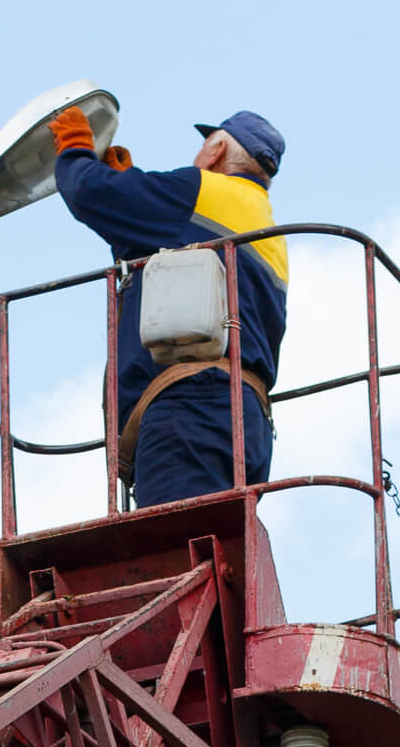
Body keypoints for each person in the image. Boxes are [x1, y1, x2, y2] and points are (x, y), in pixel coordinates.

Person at [48, 107, 288, 508]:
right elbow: (161, 252)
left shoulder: (205, 191)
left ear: (216, 150)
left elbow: (91, 194)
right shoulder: (264, 227)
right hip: (246, 420)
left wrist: (75, 148)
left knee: (178, 550)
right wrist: (128, 183)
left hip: (190, 409)